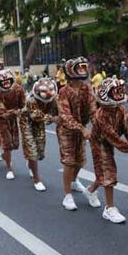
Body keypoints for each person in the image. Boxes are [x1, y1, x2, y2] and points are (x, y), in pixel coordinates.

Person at [82, 78, 128, 223]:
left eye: (121, 91)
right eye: (116, 91)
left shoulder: (120, 109)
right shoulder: (100, 115)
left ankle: (90, 191)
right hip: (100, 143)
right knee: (108, 171)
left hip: (109, 141)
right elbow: (112, 137)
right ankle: (109, 208)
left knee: (103, 173)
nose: (120, 93)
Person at [56, 56, 96, 211]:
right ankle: (67, 195)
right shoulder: (63, 92)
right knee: (69, 161)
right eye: (79, 67)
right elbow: (65, 116)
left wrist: (98, 126)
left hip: (82, 130)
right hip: (67, 131)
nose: (82, 70)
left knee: (81, 160)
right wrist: (83, 129)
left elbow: (93, 109)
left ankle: (73, 180)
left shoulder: (87, 89)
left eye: (83, 67)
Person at [19, 77, 59, 191]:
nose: (47, 93)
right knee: (32, 149)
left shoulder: (54, 99)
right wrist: (52, 118)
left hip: (40, 123)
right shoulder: (31, 100)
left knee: (40, 149)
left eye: (50, 90)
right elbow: (36, 116)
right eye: (44, 91)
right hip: (27, 121)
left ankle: (30, 160)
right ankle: (37, 179)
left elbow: (59, 111)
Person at [0, 69, 26, 180]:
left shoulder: (18, 90)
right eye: (3, 81)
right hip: (2, 119)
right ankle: (9, 169)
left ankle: (4, 155)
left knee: (15, 144)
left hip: (14, 119)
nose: (6, 83)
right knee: (6, 143)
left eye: (8, 80)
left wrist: (21, 111)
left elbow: (23, 105)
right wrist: (14, 112)